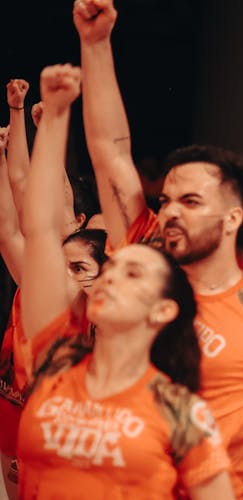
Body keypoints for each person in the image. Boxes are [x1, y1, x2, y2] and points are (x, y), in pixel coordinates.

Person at [73, 1, 243, 497]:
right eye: (165, 200)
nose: (169, 212)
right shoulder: (143, 262)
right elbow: (110, 153)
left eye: (190, 201)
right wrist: (96, 45)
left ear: (233, 217)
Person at [16, 62, 233, 499]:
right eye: (112, 268)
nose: (111, 277)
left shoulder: (181, 411)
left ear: (163, 309)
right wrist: (56, 117)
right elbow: (38, 229)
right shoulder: (54, 359)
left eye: (133, 272)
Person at [0, 85, 106, 499]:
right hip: (16, 402)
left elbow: (42, 195)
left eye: (80, 268)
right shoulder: (37, 277)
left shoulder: (91, 298)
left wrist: (47, 126)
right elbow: (15, 212)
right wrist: (17, 123)